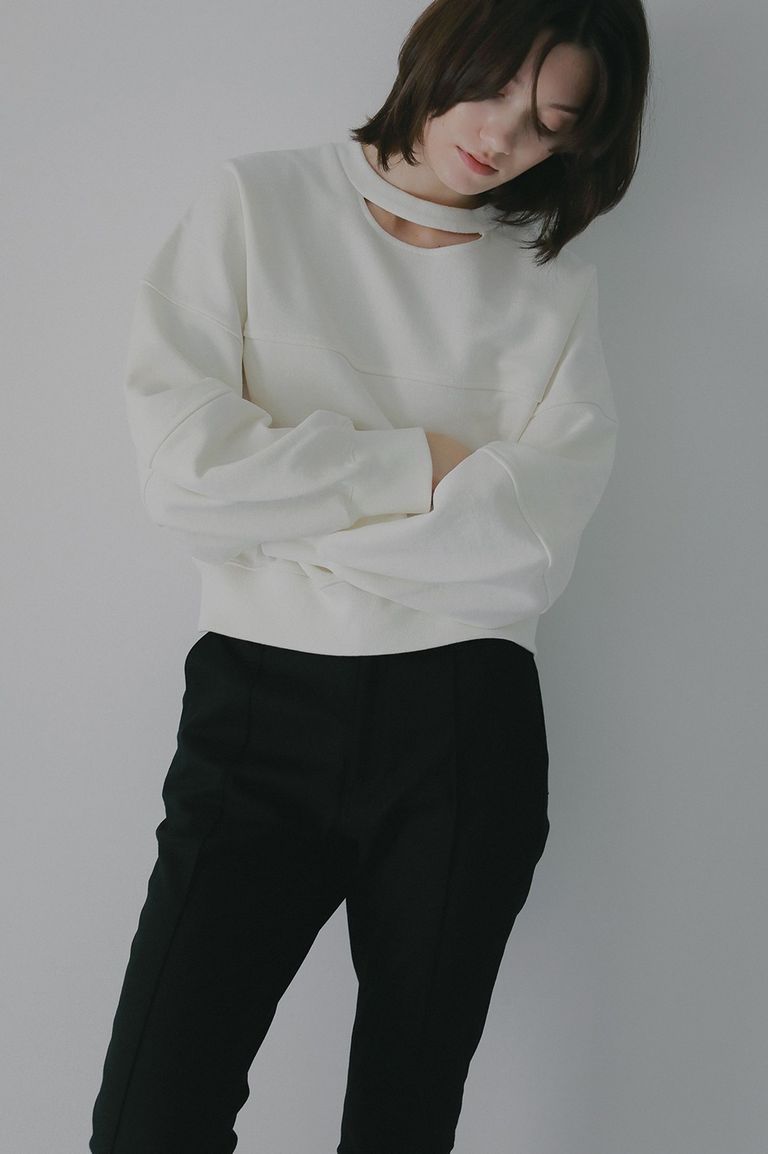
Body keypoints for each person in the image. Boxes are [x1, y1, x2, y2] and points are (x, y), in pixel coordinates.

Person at [89, 1, 652, 1151]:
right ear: (445, 47)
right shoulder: (257, 206)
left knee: (404, 1125)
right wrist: (424, 466)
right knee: (151, 1118)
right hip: (259, 709)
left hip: (465, 728)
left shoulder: (550, 292)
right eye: (492, 89)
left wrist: (283, 519)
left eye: (549, 125)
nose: (501, 138)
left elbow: (526, 551)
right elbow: (184, 472)